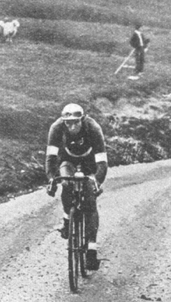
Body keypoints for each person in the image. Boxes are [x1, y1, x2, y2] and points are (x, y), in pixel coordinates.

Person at [46, 103, 108, 271]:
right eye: (68, 123)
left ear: (82, 119)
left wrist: (96, 181)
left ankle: (91, 250)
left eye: (75, 122)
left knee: (90, 201)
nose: (72, 126)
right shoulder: (56, 128)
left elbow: (102, 162)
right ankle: (67, 218)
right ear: (63, 121)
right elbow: (51, 158)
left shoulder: (93, 128)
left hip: (89, 163)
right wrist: (52, 179)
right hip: (68, 161)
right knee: (66, 183)